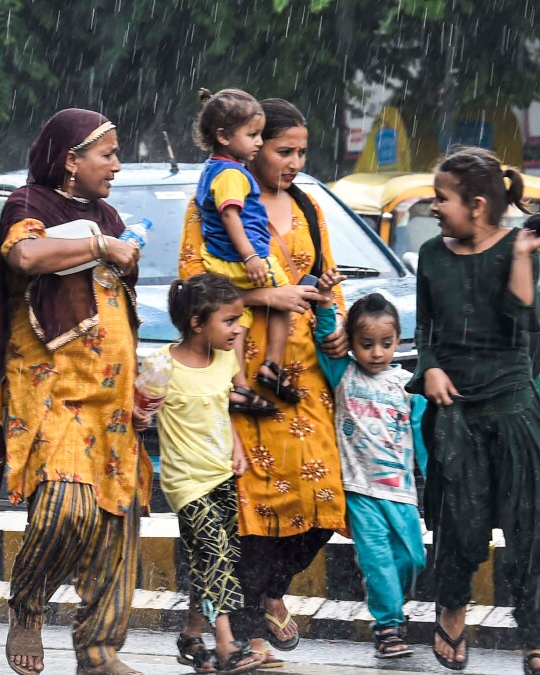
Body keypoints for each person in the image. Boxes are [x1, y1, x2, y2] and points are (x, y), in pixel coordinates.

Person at [0, 108, 152, 675]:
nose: (117, 165)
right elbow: (25, 257)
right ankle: (28, 604)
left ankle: (99, 650)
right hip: (53, 392)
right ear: (71, 161)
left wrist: (143, 380)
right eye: (107, 154)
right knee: (66, 509)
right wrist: (103, 247)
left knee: (116, 522)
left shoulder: (110, 214)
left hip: (113, 395)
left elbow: (115, 302)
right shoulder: (28, 206)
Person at [177, 98, 349, 669]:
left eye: (302, 152)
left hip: (304, 386)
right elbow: (192, 293)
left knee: (324, 506)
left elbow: (325, 277)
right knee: (250, 511)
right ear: (250, 147)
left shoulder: (306, 206)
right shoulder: (214, 204)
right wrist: (262, 297)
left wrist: (338, 323)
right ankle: (249, 638)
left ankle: (272, 591)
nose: (294, 162)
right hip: (242, 375)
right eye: (282, 150)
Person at [409, 146, 540, 674]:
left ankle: (535, 641)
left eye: (441, 199)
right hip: (454, 409)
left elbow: (520, 322)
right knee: (459, 522)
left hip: (513, 404)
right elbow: (424, 327)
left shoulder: (516, 249)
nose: (434, 208)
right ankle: (451, 611)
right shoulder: (431, 255)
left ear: (476, 205)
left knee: (532, 524)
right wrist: (428, 367)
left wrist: (524, 254)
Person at [153, 273, 264, 675]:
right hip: (186, 483)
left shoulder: (226, 360)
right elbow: (139, 410)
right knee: (216, 554)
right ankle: (227, 644)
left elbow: (226, 409)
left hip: (220, 475)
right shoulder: (162, 365)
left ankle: (190, 636)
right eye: (230, 320)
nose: (238, 328)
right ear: (197, 324)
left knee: (213, 560)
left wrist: (237, 449)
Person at [312, 287, 429, 660]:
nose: (376, 353)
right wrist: (328, 306)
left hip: (402, 492)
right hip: (360, 490)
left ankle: (392, 603)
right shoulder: (343, 373)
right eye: (366, 344)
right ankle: (388, 626)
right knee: (377, 560)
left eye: (386, 343)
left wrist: (432, 478)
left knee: (413, 558)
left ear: (397, 341)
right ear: (351, 343)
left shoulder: (407, 385)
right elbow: (322, 339)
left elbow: (423, 438)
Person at [192, 87, 298, 414]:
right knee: (286, 297)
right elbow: (230, 214)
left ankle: (239, 387)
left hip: (222, 262)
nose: (257, 142)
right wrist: (251, 256)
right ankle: (272, 366)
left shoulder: (212, 169)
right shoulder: (230, 174)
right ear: (224, 136)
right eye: (252, 135)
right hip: (243, 259)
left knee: (238, 321)